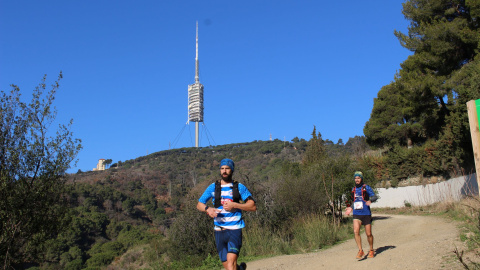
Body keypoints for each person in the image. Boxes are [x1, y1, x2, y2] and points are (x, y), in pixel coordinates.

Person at [197, 158, 257, 270]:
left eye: (227, 168)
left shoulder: (239, 187)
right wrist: (207, 209)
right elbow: (199, 203)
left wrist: (235, 205)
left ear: (232, 170)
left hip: (234, 230)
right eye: (222, 168)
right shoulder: (213, 187)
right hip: (219, 231)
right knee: (228, 266)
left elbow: (252, 206)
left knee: (230, 265)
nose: (224, 171)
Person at [344, 171, 378, 259]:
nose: (357, 180)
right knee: (356, 231)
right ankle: (360, 250)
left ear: (361, 179)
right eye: (355, 178)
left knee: (369, 234)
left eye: (358, 178)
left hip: (366, 213)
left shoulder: (366, 187)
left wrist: (370, 200)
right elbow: (354, 201)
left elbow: (375, 196)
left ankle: (371, 249)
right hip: (356, 213)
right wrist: (350, 208)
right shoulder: (353, 189)